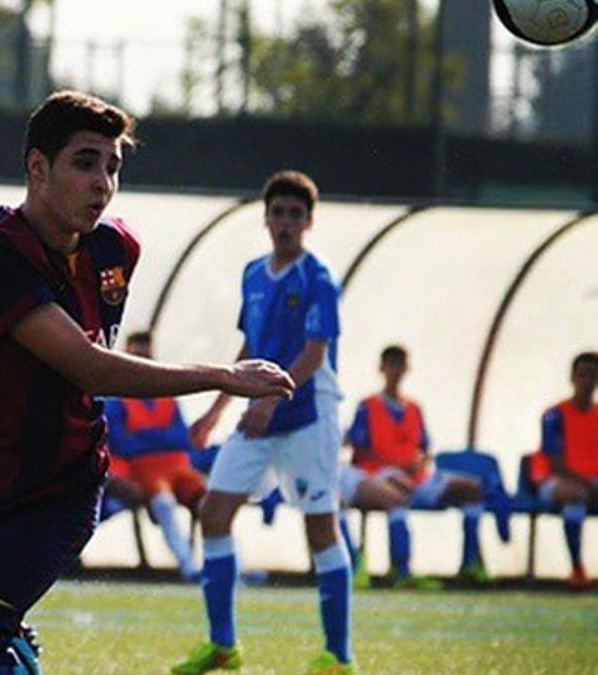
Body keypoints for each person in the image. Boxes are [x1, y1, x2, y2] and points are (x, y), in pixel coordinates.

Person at [0, 91, 295, 675]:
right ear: (38, 167)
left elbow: (71, 378)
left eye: (113, 167)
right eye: (86, 162)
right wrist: (223, 375)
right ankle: (14, 653)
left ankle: (7, 648)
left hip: (57, 493)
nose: (103, 182)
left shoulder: (115, 250)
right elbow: (85, 367)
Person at [180, 170, 353, 675]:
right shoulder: (254, 274)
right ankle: (223, 647)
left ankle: (339, 657)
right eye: (278, 212)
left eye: (295, 214)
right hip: (258, 416)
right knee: (213, 514)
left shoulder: (318, 278)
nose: (285, 222)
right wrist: (216, 408)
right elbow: (250, 347)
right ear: (266, 217)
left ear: (309, 221)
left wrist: (272, 401)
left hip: (306, 417)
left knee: (321, 529)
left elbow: (315, 352)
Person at [338, 345, 489, 590]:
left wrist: (419, 462)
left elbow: (424, 448)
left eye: (400, 365)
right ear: (382, 368)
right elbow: (360, 449)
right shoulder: (367, 406)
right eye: (391, 365)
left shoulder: (414, 408)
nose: (395, 371)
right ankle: (401, 568)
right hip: (379, 474)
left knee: (472, 489)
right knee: (396, 497)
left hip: (415, 476)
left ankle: (471, 564)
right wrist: (395, 467)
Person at [104, 330, 208, 581]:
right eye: (135, 355)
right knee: (164, 504)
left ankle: (224, 567)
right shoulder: (116, 396)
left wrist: (145, 437)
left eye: (145, 354)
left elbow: (182, 437)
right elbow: (120, 442)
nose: (141, 360)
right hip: (144, 470)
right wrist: (160, 437)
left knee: (210, 503)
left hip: (178, 467)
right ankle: (189, 567)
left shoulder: (166, 394)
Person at [531, 351, 598, 591]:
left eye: (593, 375)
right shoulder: (555, 415)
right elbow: (557, 464)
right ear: (572, 377)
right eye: (582, 375)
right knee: (574, 494)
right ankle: (577, 568)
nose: (587, 381)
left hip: (592, 482)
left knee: (582, 493)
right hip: (556, 480)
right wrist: (590, 484)